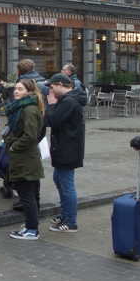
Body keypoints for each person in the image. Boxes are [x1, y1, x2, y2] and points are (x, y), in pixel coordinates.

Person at [5, 79, 45, 240]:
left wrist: (14, 146)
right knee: (31, 194)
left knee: (27, 195)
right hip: (27, 157)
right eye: (15, 88)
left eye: (20, 89)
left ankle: (32, 229)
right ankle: (31, 225)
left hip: (25, 159)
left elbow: (30, 135)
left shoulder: (28, 109)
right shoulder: (25, 107)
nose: (16, 91)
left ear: (29, 92)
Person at [45, 73, 85, 233]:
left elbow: (52, 120)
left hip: (68, 150)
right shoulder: (68, 100)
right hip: (65, 149)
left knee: (66, 184)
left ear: (61, 84)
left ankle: (70, 221)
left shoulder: (68, 101)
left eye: (52, 86)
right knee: (59, 179)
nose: (50, 90)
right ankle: (65, 214)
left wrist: (51, 104)